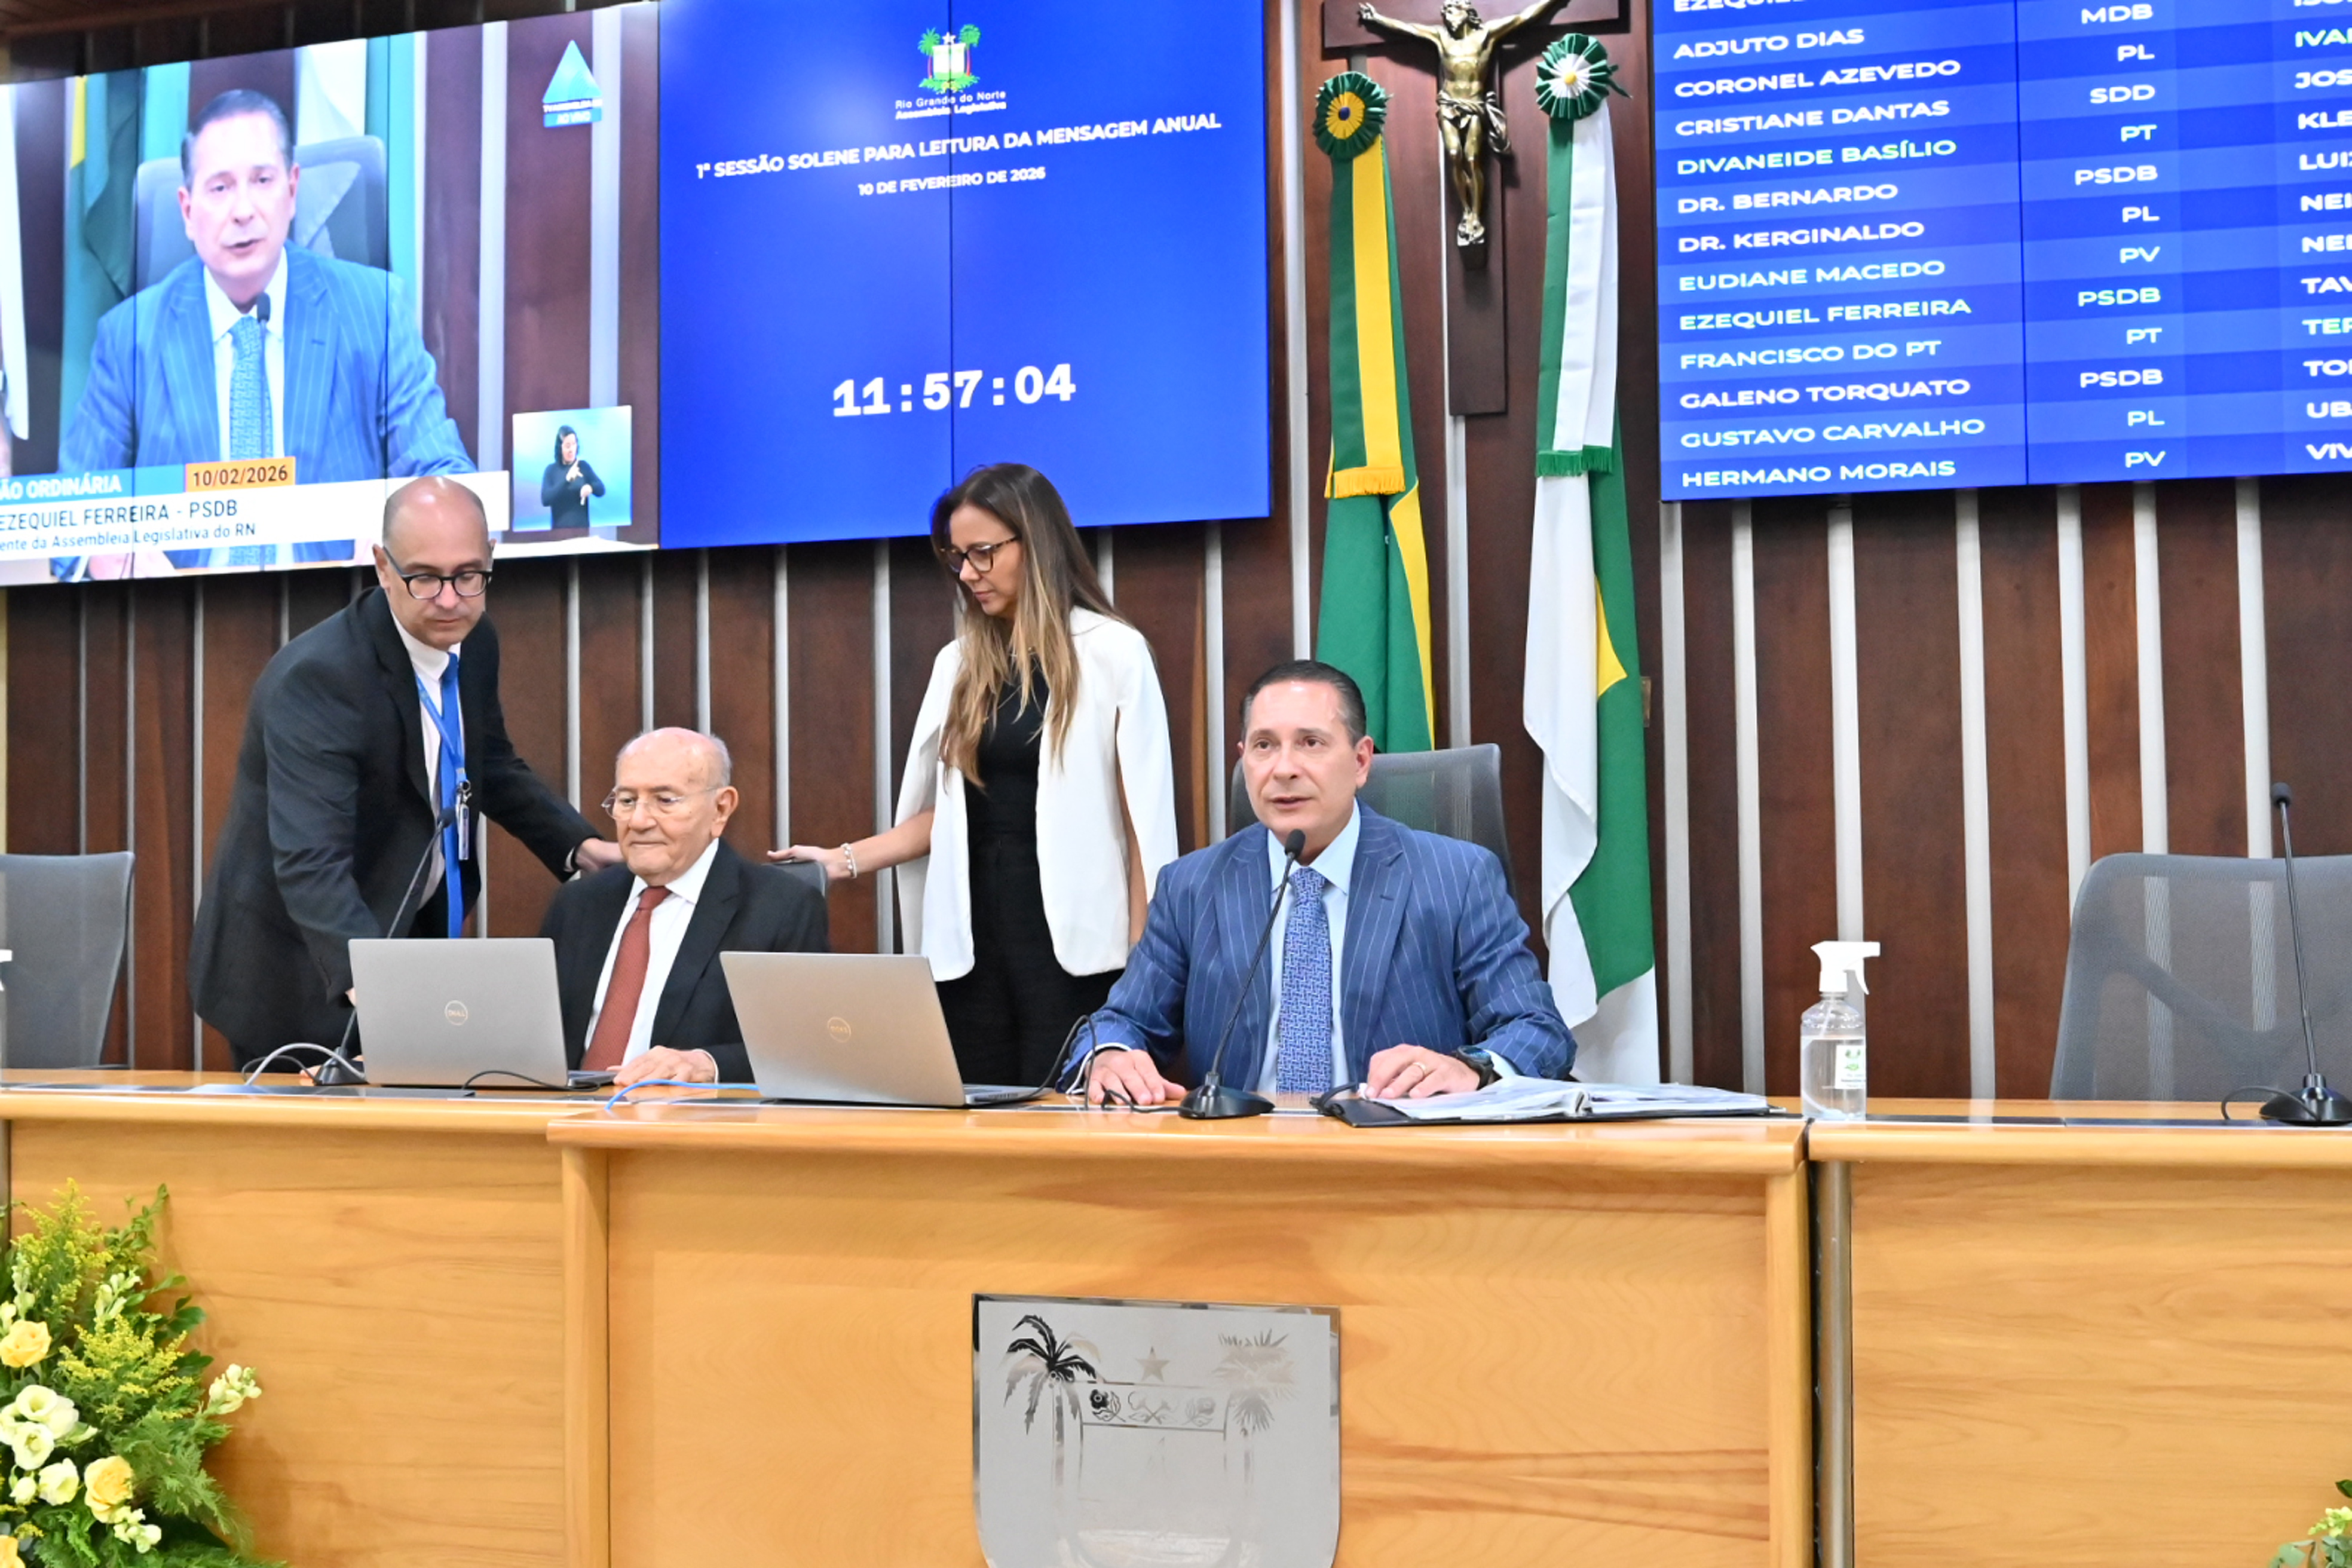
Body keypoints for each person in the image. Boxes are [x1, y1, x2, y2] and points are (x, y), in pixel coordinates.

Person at [190, 476, 622, 1064]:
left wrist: (578, 847)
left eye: (468, 575)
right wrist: (386, 995)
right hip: (300, 967)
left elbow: (488, 761)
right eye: (424, 578)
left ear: (491, 558)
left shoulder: (473, 639)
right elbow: (311, 863)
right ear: (383, 567)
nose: (449, 599)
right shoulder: (320, 679)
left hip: (404, 934)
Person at [777, 463, 1179, 1087]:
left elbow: (1141, 828)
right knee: (972, 1112)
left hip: (1078, 956)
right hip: (969, 950)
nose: (968, 574)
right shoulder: (960, 663)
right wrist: (841, 861)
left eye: (984, 553)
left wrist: (1139, 969)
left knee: (1067, 1119)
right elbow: (953, 815)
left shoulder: (1113, 651)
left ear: (1036, 543)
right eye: (958, 557)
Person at [1076, 660, 1573, 1106]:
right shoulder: (1192, 886)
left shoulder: (1457, 877)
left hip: (1399, 1153)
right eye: (1264, 746)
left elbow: (1536, 1029)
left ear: (1361, 761)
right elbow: (1122, 1023)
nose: (1284, 769)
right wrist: (1110, 1056)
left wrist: (1472, 1068)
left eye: (1310, 743)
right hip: (1241, 1155)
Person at [60, 89, 470, 568]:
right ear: (187, 211)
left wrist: (403, 528)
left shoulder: (373, 310)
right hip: (181, 606)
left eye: (262, 181)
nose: (243, 210)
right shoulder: (129, 337)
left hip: (335, 603)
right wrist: (105, 552)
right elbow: (72, 513)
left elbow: (443, 473)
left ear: (292, 191)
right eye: (220, 188)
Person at [541, 728, 828, 1088]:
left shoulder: (780, 908)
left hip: (685, 1115)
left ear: (721, 809)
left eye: (665, 800)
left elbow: (806, 1047)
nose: (638, 821)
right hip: (560, 1113)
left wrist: (708, 1063)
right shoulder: (579, 903)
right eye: (627, 801)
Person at [540, 425, 605, 531]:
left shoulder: (583, 466)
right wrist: (567, 480)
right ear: (560, 448)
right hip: (559, 532)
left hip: (582, 531)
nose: (571, 450)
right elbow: (545, 500)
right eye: (568, 446)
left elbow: (601, 490)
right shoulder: (551, 470)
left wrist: (590, 488)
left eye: (574, 444)